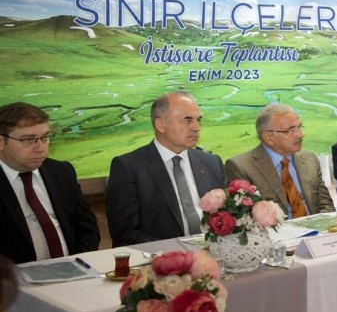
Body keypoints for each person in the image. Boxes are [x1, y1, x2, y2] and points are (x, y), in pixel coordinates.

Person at [105, 91, 227, 246]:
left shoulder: (211, 162)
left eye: (198, 120)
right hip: (161, 256)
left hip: (215, 252)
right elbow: (125, 232)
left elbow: (231, 215)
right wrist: (175, 253)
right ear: (160, 124)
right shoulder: (128, 167)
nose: (197, 127)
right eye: (187, 120)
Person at [0, 102, 100, 263]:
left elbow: (87, 228)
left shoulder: (61, 172)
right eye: (28, 140)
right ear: (1, 142)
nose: (40, 148)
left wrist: (77, 263)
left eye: (45, 137)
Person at [225, 104, 335, 218]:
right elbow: (246, 217)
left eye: (299, 127)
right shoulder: (241, 167)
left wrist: (323, 225)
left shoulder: (309, 159)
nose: (300, 134)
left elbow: (325, 204)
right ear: (269, 137)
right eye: (291, 130)